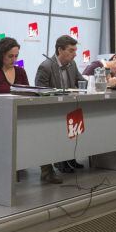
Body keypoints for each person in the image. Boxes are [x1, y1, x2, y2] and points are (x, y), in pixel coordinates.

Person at [36, 35, 87, 183]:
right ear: (60, 50)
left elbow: (81, 82)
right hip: (50, 113)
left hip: (69, 109)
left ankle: (67, 159)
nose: (75, 54)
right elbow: (40, 93)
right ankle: (48, 170)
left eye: (75, 50)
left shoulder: (73, 64)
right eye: (71, 50)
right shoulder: (45, 67)